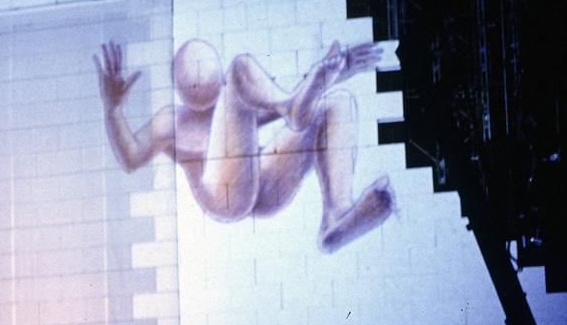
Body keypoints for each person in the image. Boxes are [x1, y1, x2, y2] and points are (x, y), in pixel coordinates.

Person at [94, 38, 394, 252]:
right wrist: (112, 109)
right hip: (223, 198)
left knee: (335, 105)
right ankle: (291, 106)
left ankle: (337, 213)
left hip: (263, 186)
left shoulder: (232, 111)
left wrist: (336, 72)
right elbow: (131, 157)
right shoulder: (171, 121)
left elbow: (272, 103)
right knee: (242, 70)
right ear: (180, 86)